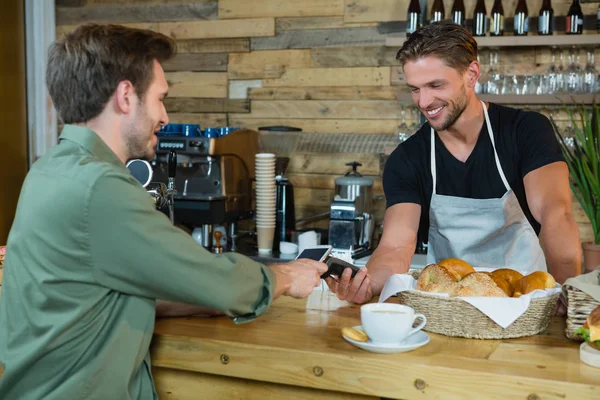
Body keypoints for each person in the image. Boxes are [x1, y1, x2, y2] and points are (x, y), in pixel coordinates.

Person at [0, 24, 327, 400]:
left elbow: (103, 293)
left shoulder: (48, 169)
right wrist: (286, 276)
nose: (165, 117)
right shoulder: (100, 188)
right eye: (159, 98)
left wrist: (205, 299)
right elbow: (217, 280)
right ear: (125, 96)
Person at [327, 21, 582, 304]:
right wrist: (366, 284)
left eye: (435, 85)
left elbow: (556, 214)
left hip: (523, 301)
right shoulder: (408, 158)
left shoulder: (525, 131)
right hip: (447, 306)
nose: (424, 101)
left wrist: (567, 295)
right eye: (415, 89)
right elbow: (396, 245)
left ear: (471, 74)